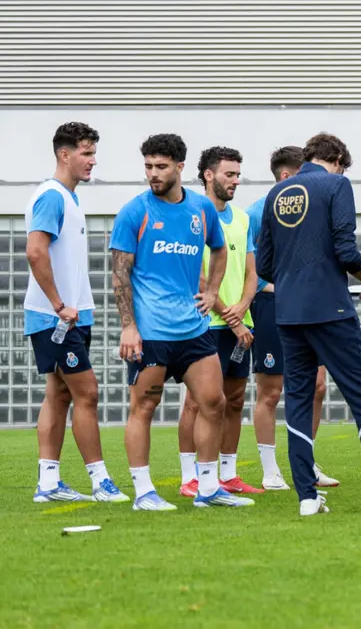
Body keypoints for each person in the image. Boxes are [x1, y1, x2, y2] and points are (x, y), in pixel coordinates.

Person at [257, 132, 361, 516]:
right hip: (330, 310)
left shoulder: (277, 193)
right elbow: (345, 249)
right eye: (342, 165)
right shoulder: (337, 184)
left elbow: (264, 265)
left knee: (297, 401)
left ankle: (307, 497)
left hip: (288, 313)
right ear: (335, 159)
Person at [111, 133, 252, 510]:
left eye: (160, 167)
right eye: (148, 167)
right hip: (151, 332)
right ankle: (144, 492)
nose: (153, 174)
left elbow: (219, 249)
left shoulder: (201, 211)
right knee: (144, 407)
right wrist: (129, 326)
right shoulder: (134, 212)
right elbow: (119, 275)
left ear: (179, 168)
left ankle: (207, 489)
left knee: (214, 401)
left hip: (193, 328)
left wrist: (212, 291)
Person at [26, 122, 128, 503]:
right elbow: (35, 251)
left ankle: (48, 484)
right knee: (87, 394)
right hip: (56, 319)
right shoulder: (51, 197)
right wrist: (58, 305)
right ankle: (100, 481)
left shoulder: (70, 199)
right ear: (64, 154)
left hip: (70, 317)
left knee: (59, 395)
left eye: (93, 153)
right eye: (86, 153)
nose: (92, 161)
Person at [248, 146, 338, 491]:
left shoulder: (314, 211)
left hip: (311, 307)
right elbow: (253, 272)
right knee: (271, 392)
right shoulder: (257, 213)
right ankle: (271, 471)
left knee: (317, 387)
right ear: (287, 177)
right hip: (272, 306)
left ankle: (307, 462)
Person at [177, 147, 264, 497]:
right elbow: (191, 273)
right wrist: (229, 314)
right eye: (230, 174)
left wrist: (243, 307)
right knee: (198, 402)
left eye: (238, 174)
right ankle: (190, 477)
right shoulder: (191, 214)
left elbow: (251, 271)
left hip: (241, 322)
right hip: (204, 323)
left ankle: (228, 474)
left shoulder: (242, 219)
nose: (236, 181)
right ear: (209, 175)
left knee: (235, 399)